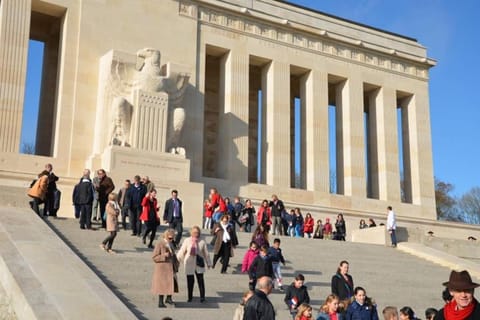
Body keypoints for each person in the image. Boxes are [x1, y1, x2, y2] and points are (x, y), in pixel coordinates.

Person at [176, 226, 211, 303]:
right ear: (191, 232)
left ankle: (202, 297)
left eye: (197, 232)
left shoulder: (202, 241)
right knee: (190, 281)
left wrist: (208, 263)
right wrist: (177, 260)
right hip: (189, 263)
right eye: (194, 232)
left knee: (201, 280)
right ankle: (190, 297)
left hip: (199, 263)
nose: (196, 234)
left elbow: (206, 253)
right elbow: (182, 251)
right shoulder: (187, 240)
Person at [152, 229, 178, 308]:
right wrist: (164, 255)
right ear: (165, 236)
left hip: (170, 267)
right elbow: (154, 257)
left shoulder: (171, 244)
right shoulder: (160, 244)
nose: (171, 239)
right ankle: (160, 302)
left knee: (172, 283)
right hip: (162, 268)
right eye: (170, 238)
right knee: (162, 285)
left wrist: (176, 263)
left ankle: (169, 298)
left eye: (172, 238)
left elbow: (173, 255)